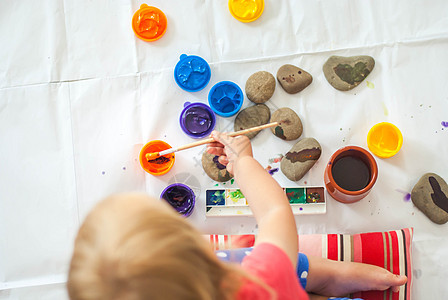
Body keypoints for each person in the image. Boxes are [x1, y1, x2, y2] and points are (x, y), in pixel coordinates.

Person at [67, 131, 407, 300]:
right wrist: (243, 162)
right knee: (306, 267)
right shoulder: (260, 279)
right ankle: (354, 279)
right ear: (197, 249)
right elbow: (274, 212)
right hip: (282, 284)